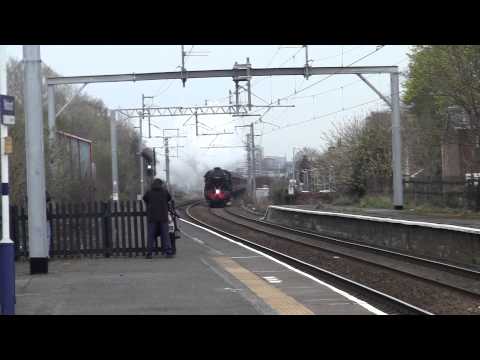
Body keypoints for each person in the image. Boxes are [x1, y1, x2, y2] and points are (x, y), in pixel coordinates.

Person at [143, 178, 173, 259]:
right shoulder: (164, 191)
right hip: (163, 217)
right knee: (165, 235)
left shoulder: (149, 192)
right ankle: (168, 252)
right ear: (161, 184)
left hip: (152, 217)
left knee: (151, 236)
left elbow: (145, 198)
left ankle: (149, 253)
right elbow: (169, 198)